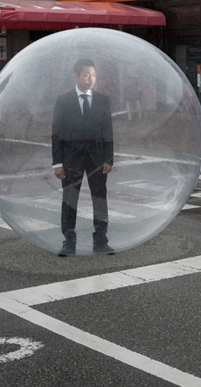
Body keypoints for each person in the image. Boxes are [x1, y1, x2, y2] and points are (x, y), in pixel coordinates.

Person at [51, 58, 115, 256]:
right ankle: (69, 241)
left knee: (99, 199)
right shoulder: (63, 100)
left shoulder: (103, 100)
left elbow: (108, 131)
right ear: (76, 76)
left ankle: (101, 241)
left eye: (94, 75)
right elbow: (57, 132)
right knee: (70, 199)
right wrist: (57, 162)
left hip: (97, 159)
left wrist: (109, 159)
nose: (91, 79)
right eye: (87, 74)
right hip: (71, 159)